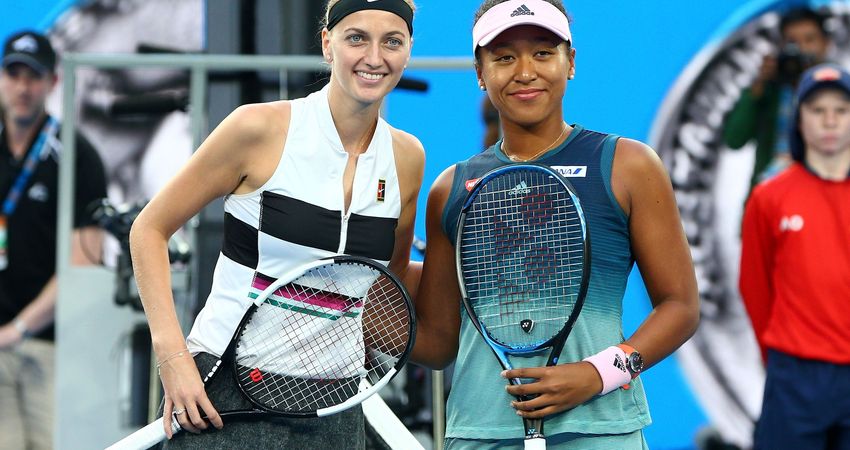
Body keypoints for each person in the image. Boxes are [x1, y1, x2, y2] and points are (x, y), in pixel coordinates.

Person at [128, 0, 424, 447]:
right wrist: (172, 358)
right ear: (327, 43)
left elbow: (386, 279)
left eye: (392, 42)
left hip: (338, 403)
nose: (374, 57)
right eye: (356, 38)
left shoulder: (407, 158)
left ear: (408, 50)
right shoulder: (258, 128)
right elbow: (148, 229)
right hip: (225, 389)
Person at [411, 1, 700, 448]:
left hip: (602, 428)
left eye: (543, 53)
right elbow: (437, 343)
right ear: (480, 72)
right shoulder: (449, 189)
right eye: (504, 57)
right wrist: (350, 305)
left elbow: (680, 308)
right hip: (480, 432)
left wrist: (595, 375)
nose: (525, 71)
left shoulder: (629, 165)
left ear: (571, 63)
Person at [0, 30, 107, 449]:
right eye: (14, 74)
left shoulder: (77, 155)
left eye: (34, 76)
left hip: (52, 345)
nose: (23, 87)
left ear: (53, 82)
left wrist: (19, 328)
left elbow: (83, 263)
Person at [739, 63, 850, 450]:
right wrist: (780, 356)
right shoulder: (770, 197)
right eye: (817, 110)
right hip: (795, 373)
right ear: (799, 119)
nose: (830, 121)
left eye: (841, 110)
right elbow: (755, 287)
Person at [723, 7, 831, 192]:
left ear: (825, 44)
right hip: (768, 202)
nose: (802, 48)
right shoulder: (769, 88)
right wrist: (758, 86)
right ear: (781, 46)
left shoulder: (839, 93)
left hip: (818, 201)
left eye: (809, 40)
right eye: (792, 42)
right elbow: (734, 139)